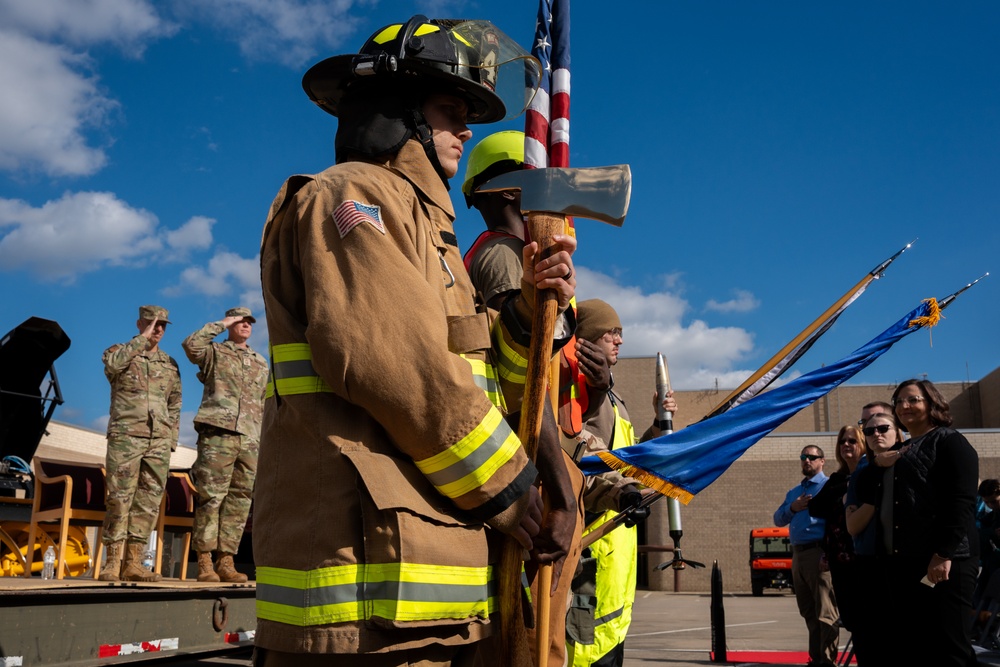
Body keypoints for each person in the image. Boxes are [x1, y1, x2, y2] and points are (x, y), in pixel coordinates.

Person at [253, 16, 578, 666]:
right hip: (359, 596)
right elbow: (392, 362)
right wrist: (512, 488)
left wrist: (523, 318)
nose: (467, 130)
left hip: (418, 588)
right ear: (397, 111)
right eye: (451, 111)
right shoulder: (353, 196)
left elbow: (481, 377)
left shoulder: (433, 236)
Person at [462, 129, 586, 667]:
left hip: (534, 465)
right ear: (516, 190)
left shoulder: (511, 256)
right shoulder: (504, 258)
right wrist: (561, 494)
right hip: (530, 471)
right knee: (532, 644)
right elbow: (522, 387)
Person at [564, 299, 674, 667]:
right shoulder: (576, 390)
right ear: (587, 338)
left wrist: (658, 425)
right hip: (593, 550)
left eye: (621, 333)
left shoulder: (613, 397)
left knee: (608, 641)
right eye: (612, 333)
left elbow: (627, 461)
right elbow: (581, 458)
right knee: (583, 651)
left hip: (617, 553)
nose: (620, 341)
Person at [883, 379, 979, 666]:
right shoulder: (903, 448)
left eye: (913, 399)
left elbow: (962, 501)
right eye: (899, 401)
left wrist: (943, 554)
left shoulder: (950, 441)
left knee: (952, 647)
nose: (904, 406)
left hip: (948, 561)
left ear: (932, 403)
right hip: (911, 559)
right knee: (921, 645)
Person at [181, 307, 268, 583]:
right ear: (230, 323)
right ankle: (205, 560)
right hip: (219, 433)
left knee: (240, 500)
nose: (245, 325)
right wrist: (220, 324)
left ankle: (226, 560)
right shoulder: (214, 352)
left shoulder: (260, 362)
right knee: (211, 497)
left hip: (250, 437)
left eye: (249, 322)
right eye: (240, 321)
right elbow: (191, 345)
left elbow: (265, 401)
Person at [100, 305, 181, 582]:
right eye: (152, 323)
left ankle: (133, 562)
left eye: (162, 325)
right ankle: (112, 562)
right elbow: (112, 367)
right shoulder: (119, 351)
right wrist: (141, 340)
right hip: (126, 436)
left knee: (148, 501)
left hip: (158, 440)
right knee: (119, 498)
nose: (158, 329)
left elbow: (175, 403)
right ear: (139, 324)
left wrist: (170, 439)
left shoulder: (169, 363)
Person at [845, 411, 905, 665]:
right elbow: (852, 526)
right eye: (869, 431)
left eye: (883, 428)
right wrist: (874, 499)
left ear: (898, 432)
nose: (876, 434)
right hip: (870, 561)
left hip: (908, 562)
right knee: (873, 636)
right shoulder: (862, 474)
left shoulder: (913, 463)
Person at [773, 445, 839, 667]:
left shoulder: (828, 486)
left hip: (818, 552)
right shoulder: (794, 492)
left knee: (825, 611)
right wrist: (793, 507)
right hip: (798, 555)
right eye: (803, 457)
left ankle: (827, 661)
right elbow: (778, 519)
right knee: (808, 610)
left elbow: (835, 521)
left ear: (822, 461)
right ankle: (816, 658)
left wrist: (828, 553)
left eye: (812, 457)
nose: (807, 460)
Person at [807, 426, 866, 647]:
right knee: (850, 617)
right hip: (839, 558)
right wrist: (845, 490)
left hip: (863, 555)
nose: (846, 445)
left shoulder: (869, 473)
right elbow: (815, 507)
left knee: (867, 618)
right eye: (842, 441)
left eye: (852, 441)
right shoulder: (837, 478)